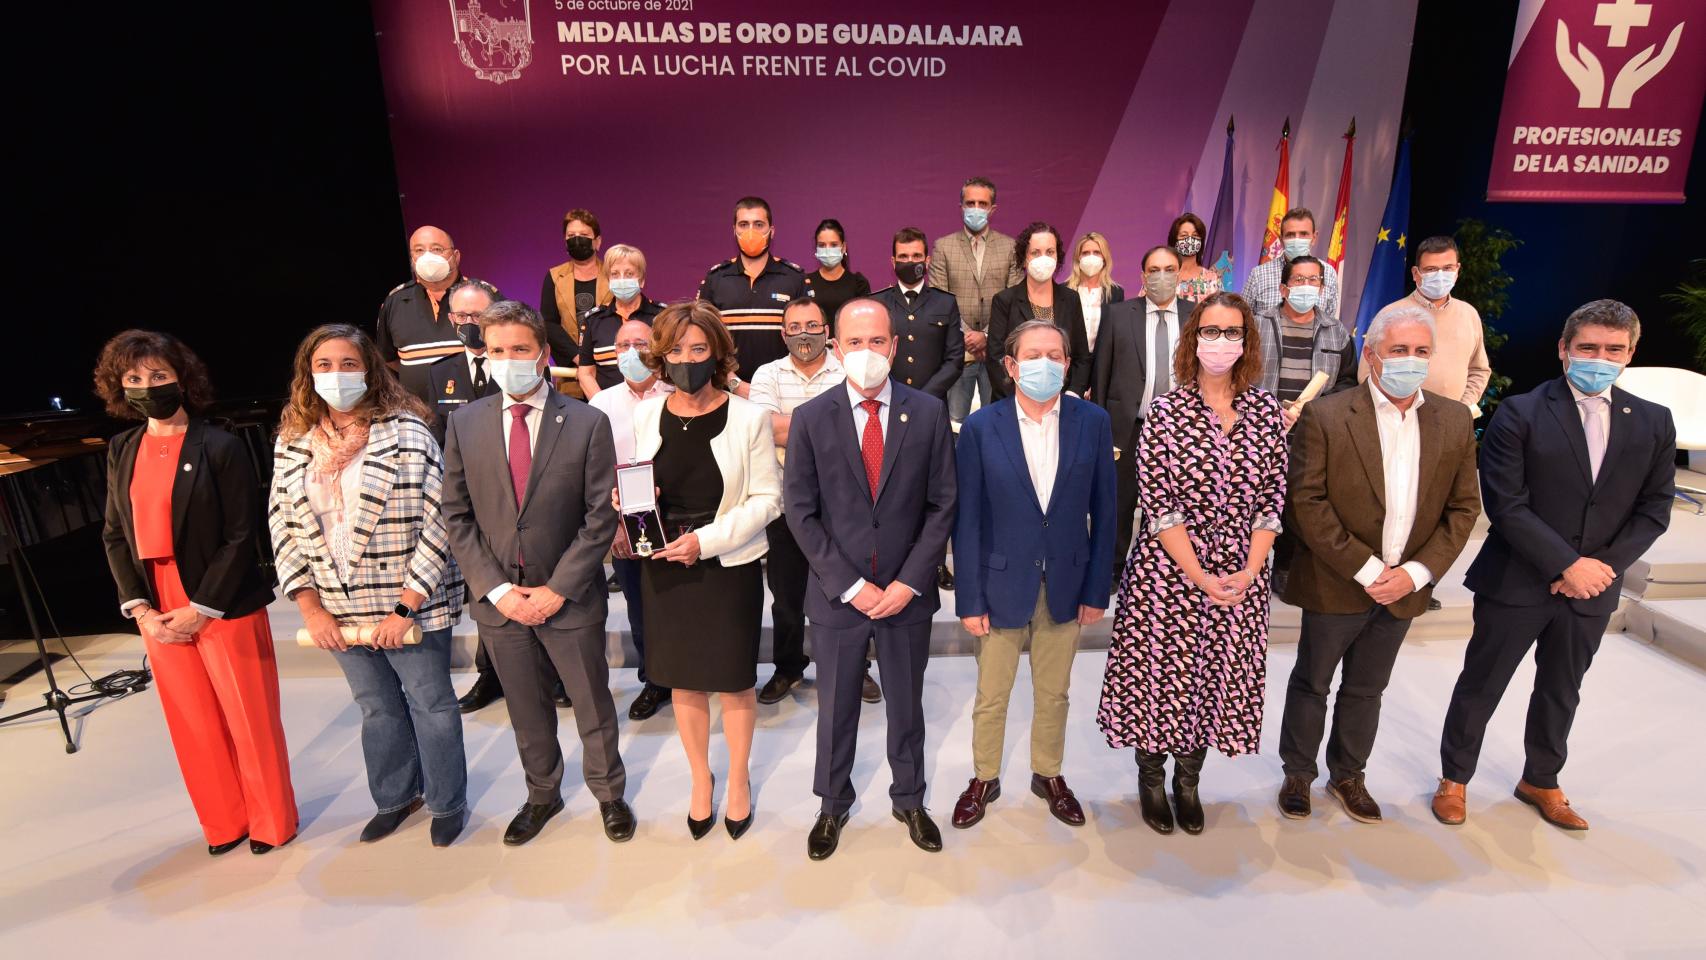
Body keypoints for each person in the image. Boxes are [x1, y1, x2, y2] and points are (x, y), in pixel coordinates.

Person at [1434, 299, 1675, 831]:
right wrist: (1567, 563)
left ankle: (1541, 778)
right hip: (1518, 578)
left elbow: (1655, 508)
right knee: (1483, 681)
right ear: (1563, 350)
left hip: (1594, 588)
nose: (1600, 357)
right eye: (1588, 347)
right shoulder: (1520, 411)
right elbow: (1506, 504)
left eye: (1614, 349)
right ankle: (1455, 778)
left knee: (1562, 687)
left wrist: (1598, 570)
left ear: (1630, 353)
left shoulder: (1654, 421)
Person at [440, 300, 634, 846]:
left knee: (592, 704)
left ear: (543, 354)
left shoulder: (587, 422)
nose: (508, 360)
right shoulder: (465, 422)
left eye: (519, 350)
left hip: (568, 597)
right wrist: (498, 591)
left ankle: (609, 793)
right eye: (497, 351)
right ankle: (542, 794)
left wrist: (556, 589)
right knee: (526, 708)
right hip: (500, 602)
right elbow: (455, 515)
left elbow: (601, 516)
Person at [96, 331, 298, 857]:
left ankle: (271, 822)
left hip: (219, 598)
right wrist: (139, 605)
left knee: (249, 718)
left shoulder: (221, 444)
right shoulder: (122, 448)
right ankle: (223, 823)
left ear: (182, 378)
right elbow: (115, 533)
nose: (147, 387)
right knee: (194, 723)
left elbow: (241, 534)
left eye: (158, 376)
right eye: (134, 380)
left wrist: (201, 606)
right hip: (156, 603)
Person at [1277, 304, 1480, 824]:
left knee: (1368, 688)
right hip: (1339, 579)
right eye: (1398, 351)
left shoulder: (1453, 420)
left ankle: (1349, 774)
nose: (1410, 361)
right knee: (1312, 682)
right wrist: (1368, 570)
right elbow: (1306, 503)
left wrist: (1414, 574)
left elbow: (1463, 507)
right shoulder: (1327, 415)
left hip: (1404, 586)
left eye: (1420, 352)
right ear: (1371, 355)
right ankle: (1298, 773)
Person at [269, 324, 469, 847]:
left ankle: (447, 801)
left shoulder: (407, 431)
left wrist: (405, 609)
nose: (337, 376)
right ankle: (396, 797)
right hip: (337, 609)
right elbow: (282, 525)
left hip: (411, 603)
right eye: (325, 366)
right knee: (376, 707)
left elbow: (440, 520)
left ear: (371, 370)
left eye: (349, 364)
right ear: (308, 376)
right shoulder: (293, 442)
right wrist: (310, 609)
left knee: (431, 704)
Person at [1096, 292, 1287, 837]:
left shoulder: (1267, 413)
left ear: (1247, 342)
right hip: (1170, 578)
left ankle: (1189, 780)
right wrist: (1201, 576)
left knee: (1212, 679)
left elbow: (1273, 501)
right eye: (1210, 331)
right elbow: (1159, 507)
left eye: (1232, 332)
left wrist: (1248, 572)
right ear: (1193, 339)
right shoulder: (1164, 412)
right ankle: (1152, 778)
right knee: (1163, 681)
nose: (1220, 342)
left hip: (1241, 576)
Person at [784, 298, 957, 861]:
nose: (866, 353)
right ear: (836, 348)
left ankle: (910, 797)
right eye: (853, 343)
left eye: (876, 342)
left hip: (907, 594)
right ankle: (832, 802)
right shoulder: (812, 419)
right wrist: (850, 585)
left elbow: (941, 505)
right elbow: (800, 512)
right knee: (836, 707)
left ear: (894, 346)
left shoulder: (928, 413)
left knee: (907, 703)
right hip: (839, 595)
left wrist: (909, 582)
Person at [951, 320, 1116, 830]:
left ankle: (1048, 773)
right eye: (1032, 355)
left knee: (1055, 692)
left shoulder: (1092, 421)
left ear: (1068, 365)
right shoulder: (982, 427)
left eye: (1054, 355)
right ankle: (984, 776)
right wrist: (969, 598)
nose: (1044, 364)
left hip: (1067, 581)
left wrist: (1097, 588)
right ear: (1011, 365)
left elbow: (1105, 511)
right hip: (999, 584)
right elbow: (969, 519)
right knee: (992, 692)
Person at [625, 301, 782, 840]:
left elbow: (767, 500)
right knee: (685, 683)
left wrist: (705, 542)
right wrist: (635, 511)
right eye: (675, 351)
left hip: (726, 564)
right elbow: (635, 484)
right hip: (663, 564)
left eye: (698, 349)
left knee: (734, 682)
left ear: (716, 353)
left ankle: (737, 780)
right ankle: (700, 778)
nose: (687, 359)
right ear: (660, 357)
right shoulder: (645, 413)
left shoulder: (749, 416)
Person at [746, 299, 883, 706]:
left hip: (845, 508)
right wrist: (828, 426)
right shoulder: (766, 374)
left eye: (812, 325)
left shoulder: (849, 370)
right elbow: (765, 428)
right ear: (782, 332)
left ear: (827, 330)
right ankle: (789, 667)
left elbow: (859, 428)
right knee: (786, 596)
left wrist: (796, 427)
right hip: (787, 507)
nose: (803, 333)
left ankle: (857, 668)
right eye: (794, 326)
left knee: (852, 589)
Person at [588, 318, 675, 721]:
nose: (630, 351)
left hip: (678, 517)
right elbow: (593, 471)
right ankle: (654, 680)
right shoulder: (602, 404)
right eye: (622, 344)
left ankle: (689, 674)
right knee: (640, 607)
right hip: (627, 524)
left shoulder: (677, 393)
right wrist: (613, 525)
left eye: (640, 342)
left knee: (681, 601)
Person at [1091, 245, 1198, 570]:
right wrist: (1101, 430)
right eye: (1154, 270)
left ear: (1179, 275)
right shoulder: (1119, 314)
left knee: (1178, 507)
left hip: (1182, 431)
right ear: (1142, 276)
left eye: (1168, 269)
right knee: (1118, 506)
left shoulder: (1197, 316)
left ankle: (1172, 570)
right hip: (1127, 429)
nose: (1161, 277)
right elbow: (1101, 373)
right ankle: (1111, 570)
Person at [1358, 236, 1491, 415]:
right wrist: (1394, 411)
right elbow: (1367, 371)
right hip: (1398, 419)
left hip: (1450, 421)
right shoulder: (1391, 314)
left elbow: (1478, 370)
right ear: (1415, 273)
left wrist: (1462, 409)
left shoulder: (1468, 314)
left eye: (1447, 268)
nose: (1440, 275)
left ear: (1457, 270)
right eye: (1431, 269)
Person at [930, 176, 1023, 423]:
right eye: (970, 203)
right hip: (958, 354)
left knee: (1000, 424)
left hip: (998, 354)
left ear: (993, 209)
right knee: (954, 425)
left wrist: (987, 336)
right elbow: (939, 299)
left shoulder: (1010, 247)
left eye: (982, 203)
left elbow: (1015, 298)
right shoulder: (943, 247)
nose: (976, 209)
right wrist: (968, 337)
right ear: (961, 207)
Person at [698, 195, 809, 391]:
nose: (751, 231)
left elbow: (805, 338)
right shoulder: (715, 279)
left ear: (771, 231)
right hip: (727, 391)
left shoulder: (794, 278)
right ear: (734, 231)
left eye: (758, 224)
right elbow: (703, 339)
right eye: (743, 224)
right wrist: (734, 383)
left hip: (783, 390)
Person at [376, 225, 492, 403]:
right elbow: (388, 358)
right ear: (412, 259)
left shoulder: (485, 296)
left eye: (437, 249)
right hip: (419, 415)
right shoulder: (395, 301)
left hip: (476, 412)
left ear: (456, 256)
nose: (427, 256)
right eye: (419, 250)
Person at [987, 222, 1091, 400]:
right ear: (1024, 258)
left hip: (1062, 401)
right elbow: (996, 358)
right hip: (1014, 402)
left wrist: (1072, 393)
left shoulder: (1071, 299)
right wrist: (1020, 400)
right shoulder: (1004, 300)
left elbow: (1081, 356)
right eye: (1035, 252)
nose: (1044, 258)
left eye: (1050, 252)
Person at [871, 227, 965, 401]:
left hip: (933, 403)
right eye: (903, 257)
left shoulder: (945, 303)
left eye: (916, 256)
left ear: (927, 261)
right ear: (893, 262)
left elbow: (955, 360)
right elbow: (871, 355)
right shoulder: (878, 304)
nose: (910, 262)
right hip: (888, 401)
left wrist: (924, 397)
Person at [577, 244, 662, 398]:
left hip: (655, 403)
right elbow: (586, 373)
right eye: (615, 274)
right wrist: (604, 406)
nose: (621, 280)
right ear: (608, 280)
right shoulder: (593, 320)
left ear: (641, 280)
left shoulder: (662, 317)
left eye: (629, 274)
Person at [539, 208, 607, 392]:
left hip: (609, 371)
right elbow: (549, 323)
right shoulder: (554, 276)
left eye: (584, 234)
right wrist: (579, 358)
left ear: (598, 241)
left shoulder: (614, 274)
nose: (577, 239)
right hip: (571, 373)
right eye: (571, 235)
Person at [428, 279, 501, 447]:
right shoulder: (440, 372)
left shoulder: (513, 365)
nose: (469, 323)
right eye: (461, 316)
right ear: (452, 319)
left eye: (477, 316)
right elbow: (439, 438)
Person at [1241, 207, 1341, 319]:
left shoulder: (1328, 273)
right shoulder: (1258, 275)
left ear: (1314, 238)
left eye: (1303, 234)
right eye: (1290, 235)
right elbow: (1244, 319)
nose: (1297, 240)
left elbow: (1329, 321)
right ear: (1281, 239)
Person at [804, 218, 871, 336]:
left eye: (833, 244)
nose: (828, 249)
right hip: (816, 351)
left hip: (850, 351)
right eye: (822, 245)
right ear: (816, 248)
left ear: (843, 247)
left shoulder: (858, 283)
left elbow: (866, 324)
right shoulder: (805, 282)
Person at [1066, 231, 1125, 361]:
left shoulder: (1116, 292)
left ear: (1104, 257)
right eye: (1085, 253)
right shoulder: (1063, 290)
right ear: (1078, 257)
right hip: (1069, 363)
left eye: (1097, 252)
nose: (1091, 257)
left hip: (1100, 363)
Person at [1167, 213, 1222, 302]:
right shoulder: (1161, 277)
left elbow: (1221, 311)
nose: (1190, 240)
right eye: (1184, 235)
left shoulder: (1212, 279)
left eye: (1195, 236)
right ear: (1174, 240)